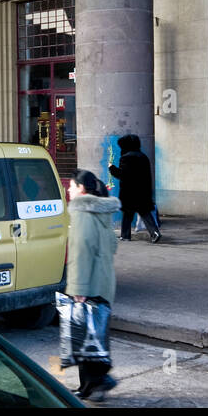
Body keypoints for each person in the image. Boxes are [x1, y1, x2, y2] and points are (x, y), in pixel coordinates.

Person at [64, 169, 121, 400]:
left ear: (81, 189)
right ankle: (93, 384)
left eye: (71, 186)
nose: (68, 190)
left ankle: (97, 382)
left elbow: (80, 251)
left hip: (88, 285)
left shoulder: (81, 212)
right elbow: (112, 246)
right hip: (104, 282)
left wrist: (78, 289)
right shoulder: (102, 211)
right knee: (95, 335)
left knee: (84, 335)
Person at [108, 134, 160, 242]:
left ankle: (125, 236)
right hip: (143, 192)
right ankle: (155, 233)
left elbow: (123, 175)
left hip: (130, 193)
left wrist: (112, 168)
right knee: (145, 214)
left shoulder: (126, 158)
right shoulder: (143, 157)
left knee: (127, 215)